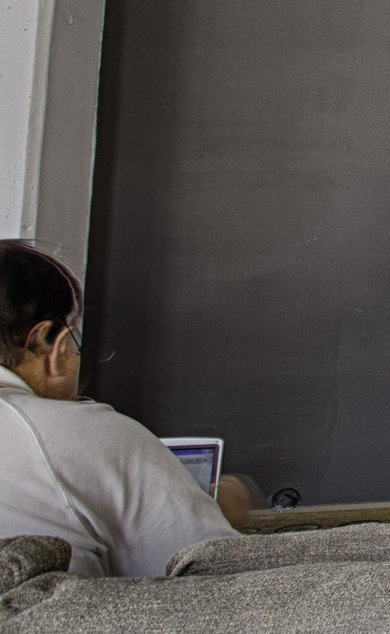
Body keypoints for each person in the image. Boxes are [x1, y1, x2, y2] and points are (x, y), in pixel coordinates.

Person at [0, 241, 247, 578]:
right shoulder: (84, 435)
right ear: (49, 343)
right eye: (74, 346)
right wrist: (217, 510)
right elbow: (219, 576)